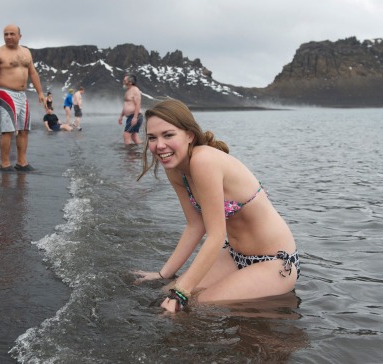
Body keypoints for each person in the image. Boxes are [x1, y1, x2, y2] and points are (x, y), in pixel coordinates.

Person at [134, 99, 300, 312]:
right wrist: (163, 274)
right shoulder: (175, 169)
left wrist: (182, 292)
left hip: (275, 263)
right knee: (166, 293)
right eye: (152, 138)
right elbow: (195, 225)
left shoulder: (204, 161)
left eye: (168, 135)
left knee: (192, 304)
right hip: (235, 256)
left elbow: (216, 235)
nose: (159, 145)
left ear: (189, 135)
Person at [0, 24, 45, 172]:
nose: (9, 37)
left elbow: (33, 73)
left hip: (22, 95)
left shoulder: (26, 52)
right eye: (6, 34)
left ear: (19, 36)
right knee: (8, 130)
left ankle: (21, 162)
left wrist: (40, 93)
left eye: (12, 34)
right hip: (6, 93)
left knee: (24, 130)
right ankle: (4, 163)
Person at [118, 73, 143, 145]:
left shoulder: (135, 90)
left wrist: (135, 118)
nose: (123, 81)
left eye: (125, 80)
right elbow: (126, 105)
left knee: (126, 135)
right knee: (134, 137)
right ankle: (140, 151)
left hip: (135, 116)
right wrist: (121, 116)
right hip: (131, 116)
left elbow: (138, 104)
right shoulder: (128, 91)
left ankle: (129, 154)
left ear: (130, 82)